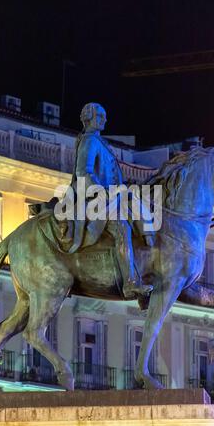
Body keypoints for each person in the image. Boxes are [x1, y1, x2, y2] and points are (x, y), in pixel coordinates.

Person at [70, 102, 152, 300]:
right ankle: (130, 283)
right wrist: (104, 192)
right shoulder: (90, 141)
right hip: (94, 199)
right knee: (122, 228)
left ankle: (149, 245)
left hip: (109, 198)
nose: (104, 119)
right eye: (100, 116)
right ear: (88, 117)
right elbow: (83, 173)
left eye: (104, 116)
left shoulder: (99, 142)